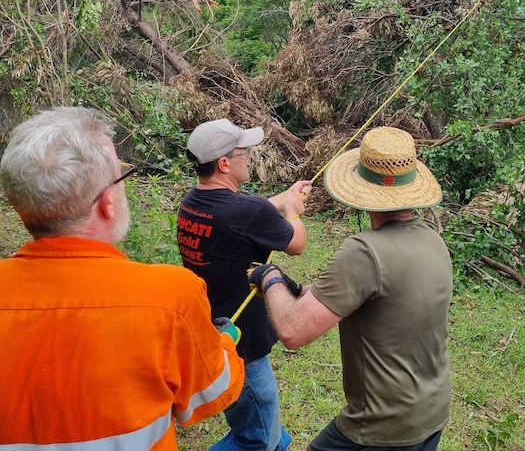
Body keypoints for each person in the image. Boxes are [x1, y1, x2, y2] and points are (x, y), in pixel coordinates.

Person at [0, 106, 244, 450]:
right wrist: (225, 343)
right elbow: (208, 395)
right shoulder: (172, 296)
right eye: (120, 176)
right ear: (106, 203)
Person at [248, 126, 452, 451]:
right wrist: (300, 291)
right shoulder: (434, 240)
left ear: (362, 187)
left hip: (381, 425)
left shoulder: (364, 252)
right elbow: (381, 298)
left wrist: (270, 277)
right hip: (432, 411)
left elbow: (293, 331)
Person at [178, 118, 313, 451]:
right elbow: (297, 244)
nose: (250, 155)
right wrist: (294, 211)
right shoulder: (247, 211)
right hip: (243, 348)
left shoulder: (192, 202)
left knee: (267, 429)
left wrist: (284, 198)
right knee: (256, 439)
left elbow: (251, 211)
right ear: (224, 163)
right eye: (244, 151)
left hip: (213, 330)